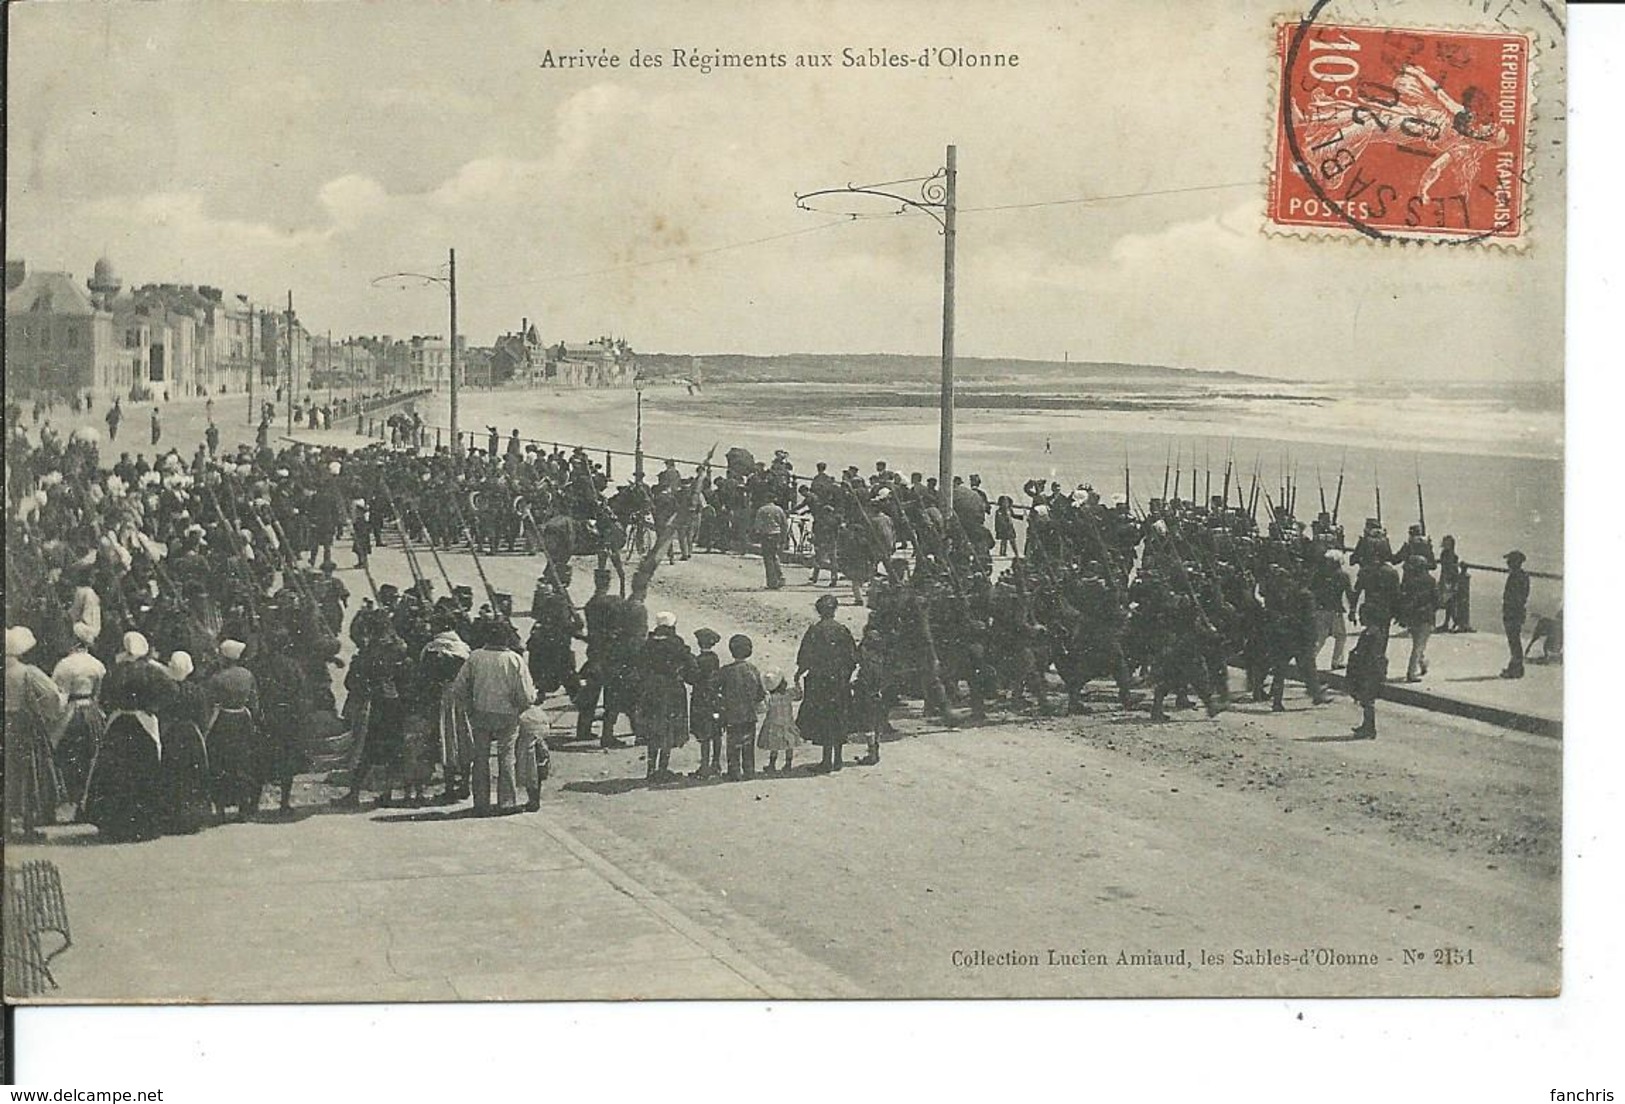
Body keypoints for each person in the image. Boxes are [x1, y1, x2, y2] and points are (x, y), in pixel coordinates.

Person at [86, 631, 175, 841]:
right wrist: (153, 707)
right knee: (144, 771)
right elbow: (172, 690)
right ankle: (144, 825)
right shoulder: (152, 671)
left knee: (116, 773)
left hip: (119, 722)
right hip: (143, 722)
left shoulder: (116, 670)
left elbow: (103, 697)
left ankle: (114, 825)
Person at [451, 619, 540, 815]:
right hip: (507, 715)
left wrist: (470, 707)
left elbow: (459, 688)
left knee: (480, 758)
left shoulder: (475, 657)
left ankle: (480, 803)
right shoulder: (514, 660)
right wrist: (522, 705)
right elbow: (526, 695)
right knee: (506, 756)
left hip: (480, 713)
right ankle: (507, 802)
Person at [5, 626, 67, 842]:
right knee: (29, 772)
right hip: (23, 724)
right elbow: (51, 694)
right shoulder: (27, 672)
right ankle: (28, 824)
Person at [51, 621, 108, 814]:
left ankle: (73, 799)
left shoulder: (64, 665)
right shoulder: (97, 664)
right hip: (91, 709)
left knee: (68, 753)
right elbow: (98, 693)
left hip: (72, 710)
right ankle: (84, 800)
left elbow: (59, 695)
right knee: (91, 754)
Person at [797, 593, 858, 772]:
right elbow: (852, 657)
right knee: (838, 718)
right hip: (839, 682)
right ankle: (837, 759)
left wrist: (799, 672)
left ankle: (826, 761)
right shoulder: (842, 630)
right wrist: (845, 676)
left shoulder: (815, 631)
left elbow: (805, 656)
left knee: (823, 720)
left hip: (820, 682)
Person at [205, 639, 262, 820]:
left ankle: (221, 809)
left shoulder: (217, 678)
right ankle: (243, 808)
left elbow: (210, 702)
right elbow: (255, 702)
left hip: (223, 720)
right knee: (243, 764)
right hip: (243, 719)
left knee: (221, 764)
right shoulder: (247, 675)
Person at [636, 611, 696, 782]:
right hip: (671, 689)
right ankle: (663, 769)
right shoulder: (676, 643)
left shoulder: (648, 644)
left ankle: (650, 768)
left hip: (651, 689)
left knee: (653, 728)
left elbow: (639, 665)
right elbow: (689, 664)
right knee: (668, 729)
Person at [159, 651, 213, 834]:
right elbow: (203, 717)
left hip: (172, 733)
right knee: (193, 775)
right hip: (192, 734)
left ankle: (172, 817)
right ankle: (194, 817)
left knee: (172, 774)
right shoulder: (196, 690)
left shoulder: (166, 689)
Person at [718, 634, 764, 781]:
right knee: (748, 742)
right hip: (749, 713)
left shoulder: (726, 670)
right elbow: (760, 693)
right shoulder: (752, 669)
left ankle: (734, 771)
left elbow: (715, 687)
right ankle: (749, 770)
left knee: (733, 743)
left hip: (731, 713)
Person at [689, 627, 724, 779]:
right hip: (714, 698)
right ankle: (715, 763)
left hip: (700, 699)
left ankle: (704, 766)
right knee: (716, 732)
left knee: (704, 733)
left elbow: (693, 678)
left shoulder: (698, 660)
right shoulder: (714, 658)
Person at [1399, 554, 1438, 682]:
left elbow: (1403, 599)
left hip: (1412, 616)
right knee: (1419, 645)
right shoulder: (1431, 581)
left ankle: (1423, 664)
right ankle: (1411, 672)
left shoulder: (1409, 581)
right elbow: (1436, 600)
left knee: (1418, 643)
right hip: (1425, 616)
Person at [757, 671, 801, 773]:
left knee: (774, 746)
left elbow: (762, 709)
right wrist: (797, 682)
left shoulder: (770, 698)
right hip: (787, 723)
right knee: (789, 745)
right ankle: (788, 764)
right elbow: (799, 695)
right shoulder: (789, 694)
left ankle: (772, 765)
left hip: (773, 723)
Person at [1500, 549, 1530, 679]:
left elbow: (1515, 597)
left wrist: (1509, 610)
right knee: (1514, 640)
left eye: (1510, 561)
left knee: (1514, 641)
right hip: (1516, 612)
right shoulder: (1523, 576)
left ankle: (1516, 668)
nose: (1507, 563)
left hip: (1513, 612)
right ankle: (1516, 666)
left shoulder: (1516, 577)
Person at [753, 496, 789, 590]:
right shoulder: (779, 509)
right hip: (776, 534)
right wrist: (783, 537)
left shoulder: (762, 510)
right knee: (774, 556)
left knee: (768, 558)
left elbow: (757, 524)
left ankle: (772, 582)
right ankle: (780, 577)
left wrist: (757, 534)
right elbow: (784, 523)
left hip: (766, 535)